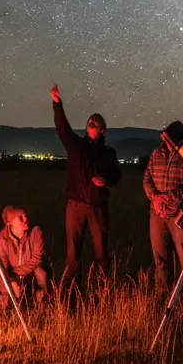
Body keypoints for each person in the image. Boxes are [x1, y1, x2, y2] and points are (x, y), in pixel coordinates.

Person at [50, 83, 122, 291]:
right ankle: (72, 293)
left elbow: (117, 175)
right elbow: (62, 128)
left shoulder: (109, 153)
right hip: (76, 206)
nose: (90, 124)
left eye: (94, 123)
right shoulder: (76, 147)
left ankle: (102, 293)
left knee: (101, 254)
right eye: (89, 122)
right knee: (73, 255)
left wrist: (105, 181)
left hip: (98, 207)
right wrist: (57, 104)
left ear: (102, 130)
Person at [143, 123, 183, 289]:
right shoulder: (156, 154)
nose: (162, 137)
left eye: (165, 134)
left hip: (178, 213)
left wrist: (174, 198)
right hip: (157, 213)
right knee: (160, 258)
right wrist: (155, 197)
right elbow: (147, 179)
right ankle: (164, 295)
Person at [0, 205, 51, 304]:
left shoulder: (35, 232)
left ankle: (44, 304)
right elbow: (1, 266)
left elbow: (37, 259)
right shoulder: (2, 238)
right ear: (10, 223)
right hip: (12, 277)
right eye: (20, 218)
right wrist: (10, 282)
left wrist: (15, 272)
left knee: (41, 273)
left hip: (31, 275)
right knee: (5, 296)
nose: (25, 219)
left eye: (25, 216)